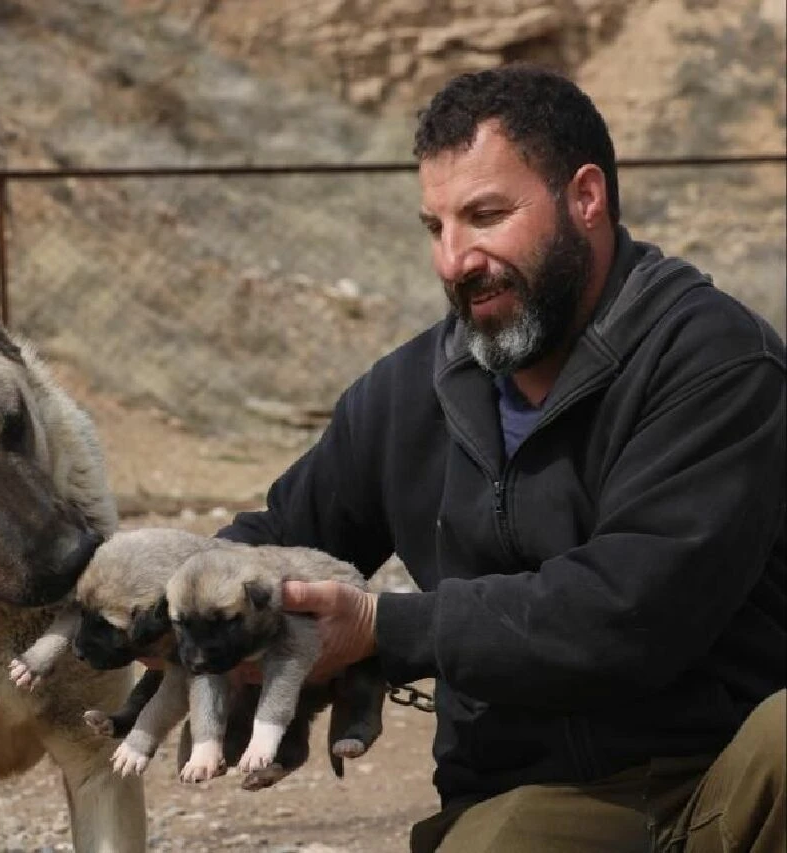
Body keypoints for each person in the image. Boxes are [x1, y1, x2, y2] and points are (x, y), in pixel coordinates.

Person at [215, 64, 786, 852]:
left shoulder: (716, 361)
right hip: (528, 797)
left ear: (585, 198)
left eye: (485, 216)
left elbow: (629, 613)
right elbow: (280, 531)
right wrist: (188, 599)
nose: (455, 260)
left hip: (722, 782)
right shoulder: (407, 391)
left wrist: (385, 627)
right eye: (435, 228)